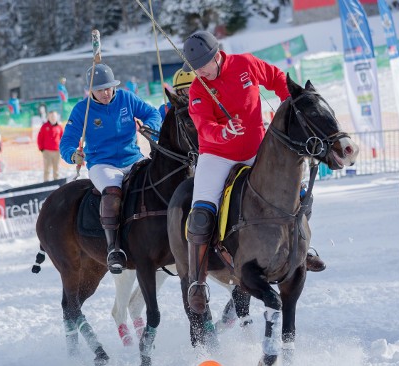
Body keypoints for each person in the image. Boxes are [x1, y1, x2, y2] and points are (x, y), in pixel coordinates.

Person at [180, 30, 324, 313]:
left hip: (257, 149)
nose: (199, 72)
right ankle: (197, 282)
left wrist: (292, 105)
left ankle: (301, 250)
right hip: (217, 155)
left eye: (202, 66)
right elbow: (204, 126)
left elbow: (279, 80)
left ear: (216, 55)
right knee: (199, 215)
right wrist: (224, 131)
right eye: (194, 69)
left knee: (300, 193)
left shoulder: (245, 64)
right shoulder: (198, 89)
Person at [59, 63, 161, 274]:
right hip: (102, 163)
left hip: (133, 157)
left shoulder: (126, 98)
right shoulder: (82, 110)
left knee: (155, 181)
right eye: (99, 89)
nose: (106, 93)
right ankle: (114, 248)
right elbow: (67, 141)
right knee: (113, 193)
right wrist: (72, 154)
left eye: (108, 88)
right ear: (90, 91)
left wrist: (150, 127)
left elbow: (153, 113)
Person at [37, 111, 63, 181]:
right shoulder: (44, 126)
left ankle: (56, 180)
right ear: (48, 117)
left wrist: (62, 148)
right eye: (51, 116)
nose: (53, 118)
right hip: (47, 151)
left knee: (56, 168)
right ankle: (46, 181)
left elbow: (62, 138)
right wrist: (41, 148)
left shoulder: (59, 127)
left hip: (57, 151)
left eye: (54, 116)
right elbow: (40, 138)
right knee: (47, 168)